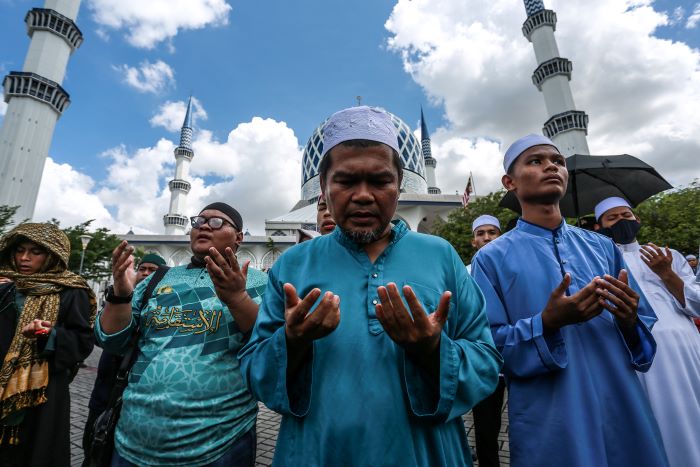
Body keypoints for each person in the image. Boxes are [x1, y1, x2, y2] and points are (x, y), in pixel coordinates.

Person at [239, 106, 501, 466]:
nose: (363, 195)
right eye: (346, 181)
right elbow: (254, 367)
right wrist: (293, 341)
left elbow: (487, 361)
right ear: (324, 188)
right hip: (318, 451)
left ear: (399, 185)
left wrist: (433, 349)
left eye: (379, 181)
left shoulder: (439, 256)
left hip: (424, 453)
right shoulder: (293, 264)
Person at [471, 134, 668, 467]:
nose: (551, 166)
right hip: (552, 414)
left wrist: (629, 319)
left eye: (558, 161)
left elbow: (643, 322)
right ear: (510, 182)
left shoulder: (602, 247)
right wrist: (546, 323)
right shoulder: (490, 259)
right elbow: (486, 346)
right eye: (536, 161)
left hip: (621, 399)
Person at [95, 202, 267, 466]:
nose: (205, 226)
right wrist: (120, 292)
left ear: (239, 237)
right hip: (133, 438)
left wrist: (238, 297)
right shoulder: (158, 279)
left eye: (218, 222)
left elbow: (269, 344)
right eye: (199, 221)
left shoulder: (258, 283)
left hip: (219, 444)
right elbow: (112, 340)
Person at [594, 196, 700, 467]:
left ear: (637, 220)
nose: (622, 221)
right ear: (599, 227)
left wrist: (666, 273)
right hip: (641, 362)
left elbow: (697, 306)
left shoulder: (669, 255)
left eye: (626, 215)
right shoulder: (599, 263)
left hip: (688, 355)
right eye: (613, 218)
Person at [0, 223, 96, 466]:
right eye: (20, 250)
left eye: (35, 252)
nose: (24, 258)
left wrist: (48, 333)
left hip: (43, 393)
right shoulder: (9, 289)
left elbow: (82, 342)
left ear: (52, 255)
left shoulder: (72, 292)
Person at [82, 253, 166, 465]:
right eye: (143, 268)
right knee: (95, 448)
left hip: (137, 398)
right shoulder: (119, 294)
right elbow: (101, 337)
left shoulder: (162, 306)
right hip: (105, 393)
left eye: (153, 271)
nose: (146, 274)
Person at [466, 214, 506, 467]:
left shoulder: (514, 266)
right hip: (484, 357)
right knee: (486, 422)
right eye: (481, 233)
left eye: (492, 232)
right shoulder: (465, 273)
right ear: (473, 241)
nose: (487, 237)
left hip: (517, 353)